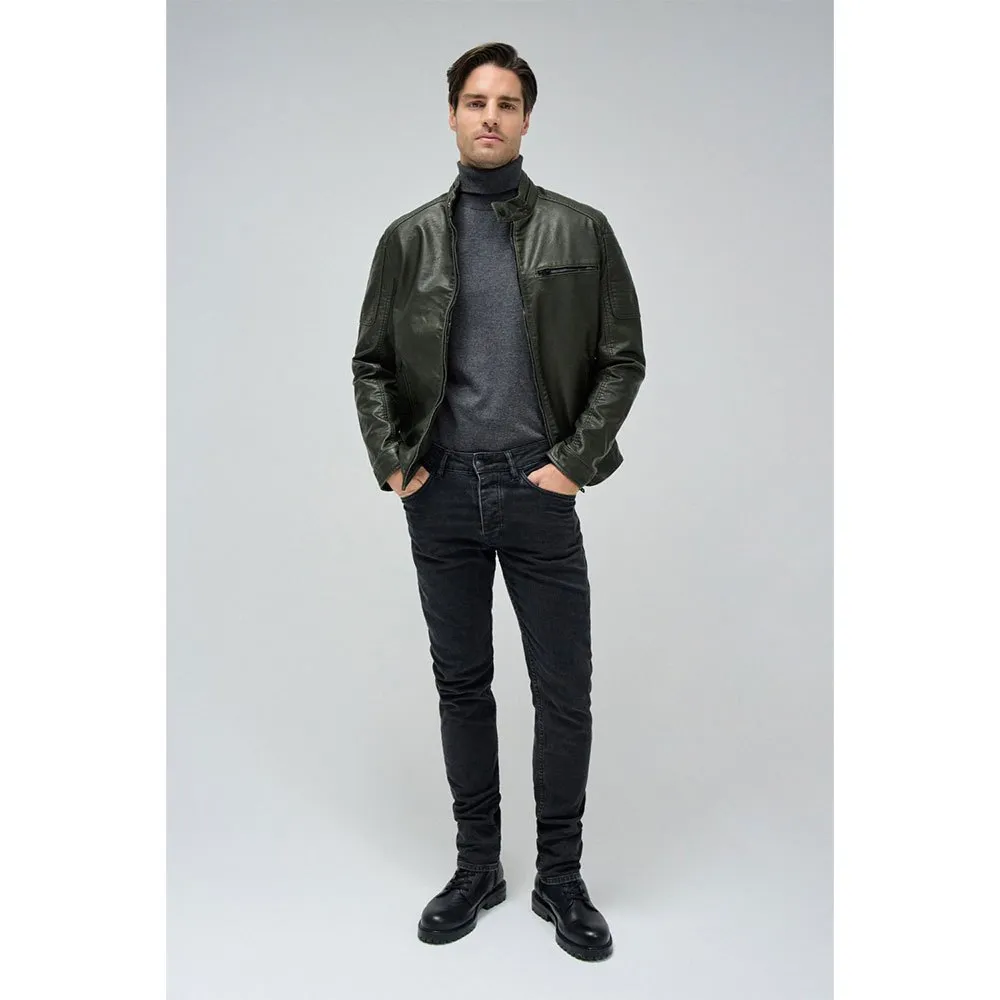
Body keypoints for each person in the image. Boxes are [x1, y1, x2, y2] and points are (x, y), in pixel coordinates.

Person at [351, 41, 645, 962]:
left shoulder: (580, 230)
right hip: (440, 493)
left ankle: (561, 878)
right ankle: (478, 867)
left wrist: (571, 465)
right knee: (462, 686)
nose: (489, 116)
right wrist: (395, 462)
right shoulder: (408, 240)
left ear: (526, 119)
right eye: (475, 101)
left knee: (564, 693)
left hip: (534, 489)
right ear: (451, 114)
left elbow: (622, 358)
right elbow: (371, 363)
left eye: (506, 103)